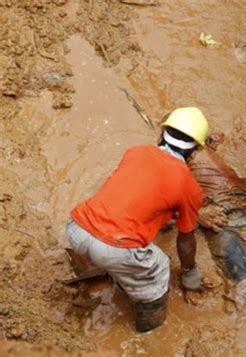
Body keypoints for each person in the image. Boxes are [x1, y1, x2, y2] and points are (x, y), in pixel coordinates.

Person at [65, 107, 209, 333]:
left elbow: (135, 195)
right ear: (196, 151)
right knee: (160, 266)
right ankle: (150, 329)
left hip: (77, 228)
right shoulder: (189, 187)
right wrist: (189, 272)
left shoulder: (135, 152)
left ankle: (94, 268)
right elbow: (186, 239)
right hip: (113, 248)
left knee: (108, 253)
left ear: (160, 136)